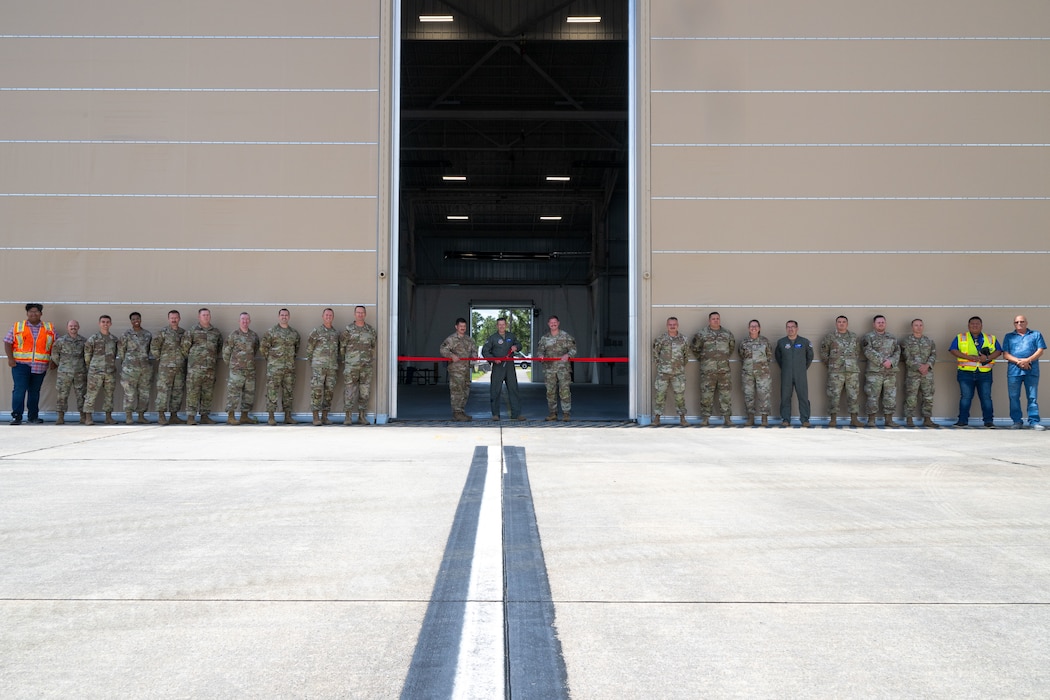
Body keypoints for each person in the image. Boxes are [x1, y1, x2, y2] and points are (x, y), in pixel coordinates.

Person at [5, 303, 56, 425]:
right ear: (27, 313)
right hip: (20, 365)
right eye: (31, 312)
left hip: (40, 366)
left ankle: (33, 417)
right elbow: (7, 342)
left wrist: (54, 360)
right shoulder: (18, 326)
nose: (33, 314)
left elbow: (56, 345)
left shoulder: (49, 328)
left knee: (34, 392)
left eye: (36, 311)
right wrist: (10, 359)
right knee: (19, 390)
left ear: (41, 314)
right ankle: (16, 417)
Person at [949, 316, 1002, 428]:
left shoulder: (990, 338)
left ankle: (988, 422)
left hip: (985, 373)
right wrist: (969, 357)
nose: (975, 325)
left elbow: (998, 351)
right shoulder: (961, 337)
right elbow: (953, 350)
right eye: (972, 324)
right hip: (965, 372)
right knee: (965, 397)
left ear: (981, 326)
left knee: (986, 398)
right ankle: (962, 421)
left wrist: (987, 358)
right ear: (968, 326)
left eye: (977, 323)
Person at [691, 311, 736, 426]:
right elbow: (695, 348)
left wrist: (722, 359)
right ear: (709, 320)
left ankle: (727, 418)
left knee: (725, 395)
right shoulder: (702, 334)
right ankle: (705, 418)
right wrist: (705, 360)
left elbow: (731, 348)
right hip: (707, 371)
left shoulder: (727, 334)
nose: (716, 320)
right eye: (713, 319)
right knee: (706, 395)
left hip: (723, 371)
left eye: (717, 318)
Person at [1001, 315, 1046, 430]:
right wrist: (1019, 362)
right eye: (1016, 322)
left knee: (1032, 397)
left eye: (1022, 321)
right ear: (1014, 324)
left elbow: (1040, 350)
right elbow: (1005, 354)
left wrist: (1027, 360)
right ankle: (1017, 421)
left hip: (1031, 371)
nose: (1019, 324)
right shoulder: (1009, 336)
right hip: (1014, 372)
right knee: (1014, 397)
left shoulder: (1036, 334)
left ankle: (1034, 422)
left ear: (1026, 322)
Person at [260, 308, 300, 425]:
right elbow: (263, 348)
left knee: (288, 392)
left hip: (289, 368)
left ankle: (288, 416)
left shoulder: (294, 333)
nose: (284, 317)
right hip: (274, 368)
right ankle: (271, 417)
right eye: (282, 315)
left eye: (286, 315)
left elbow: (296, 348)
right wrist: (272, 361)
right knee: (272, 392)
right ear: (279, 317)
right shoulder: (271, 332)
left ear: (289, 317)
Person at [821, 315, 863, 427]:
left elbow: (857, 351)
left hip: (852, 371)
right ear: (836, 324)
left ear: (847, 324)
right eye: (839, 322)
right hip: (836, 372)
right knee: (833, 395)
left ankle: (854, 419)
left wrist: (850, 363)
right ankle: (833, 419)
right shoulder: (830, 337)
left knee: (853, 395)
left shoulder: (854, 337)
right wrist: (832, 365)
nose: (841, 324)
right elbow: (824, 353)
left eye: (844, 322)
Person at [481, 316, 526, 421]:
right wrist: (493, 359)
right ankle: (495, 414)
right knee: (495, 390)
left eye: (503, 324)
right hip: (498, 366)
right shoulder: (492, 338)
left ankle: (516, 414)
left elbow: (519, 345)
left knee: (513, 389)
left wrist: (516, 347)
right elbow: (485, 351)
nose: (501, 326)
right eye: (499, 325)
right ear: (497, 326)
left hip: (509, 366)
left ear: (506, 325)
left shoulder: (511, 336)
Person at [184, 308, 223, 425]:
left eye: (207, 315)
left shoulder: (216, 332)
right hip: (195, 369)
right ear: (199, 317)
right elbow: (185, 348)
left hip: (210, 369)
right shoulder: (192, 330)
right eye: (203, 315)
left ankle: (204, 416)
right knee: (193, 392)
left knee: (207, 393)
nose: (206, 317)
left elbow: (218, 347)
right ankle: (191, 417)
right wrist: (194, 360)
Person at [340, 305, 378, 426]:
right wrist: (347, 361)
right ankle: (348, 416)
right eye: (358, 312)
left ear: (365, 314)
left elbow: (372, 346)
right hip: (351, 366)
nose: (360, 314)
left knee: (365, 392)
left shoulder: (370, 331)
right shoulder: (348, 330)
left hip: (366, 366)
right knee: (349, 391)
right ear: (354, 314)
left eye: (362, 313)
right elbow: (342, 347)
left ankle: (362, 416)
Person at [861, 315, 902, 428]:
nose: (881, 324)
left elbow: (897, 352)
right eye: (878, 322)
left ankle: (889, 420)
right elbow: (867, 351)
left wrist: (891, 361)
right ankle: (871, 420)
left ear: (885, 323)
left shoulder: (892, 337)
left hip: (890, 372)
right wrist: (883, 361)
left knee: (890, 396)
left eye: (883, 322)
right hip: (874, 373)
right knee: (872, 396)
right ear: (874, 324)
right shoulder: (868, 337)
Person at [651, 316, 690, 426]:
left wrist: (679, 366)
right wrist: (662, 366)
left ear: (678, 325)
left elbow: (686, 355)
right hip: (663, 373)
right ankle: (657, 418)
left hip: (678, 373)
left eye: (674, 324)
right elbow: (656, 354)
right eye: (670, 324)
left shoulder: (684, 339)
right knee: (660, 395)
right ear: (667, 326)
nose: (672, 326)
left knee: (680, 396)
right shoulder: (660, 339)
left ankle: (682, 419)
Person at [223, 312, 260, 425]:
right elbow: (226, 352)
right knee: (233, 393)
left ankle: (244, 416)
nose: (245, 321)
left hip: (250, 370)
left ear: (250, 321)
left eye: (247, 319)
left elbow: (255, 349)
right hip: (236, 370)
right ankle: (231, 416)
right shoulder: (233, 335)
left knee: (249, 394)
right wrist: (232, 365)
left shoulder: (254, 336)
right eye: (243, 319)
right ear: (239, 321)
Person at [151, 309, 187, 425]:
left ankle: (174, 415)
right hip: (165, 368)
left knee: (177, 392)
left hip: (179, 367)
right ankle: (161, 415)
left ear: (179, 318)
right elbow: (154, 347)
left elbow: (187, 348)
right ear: (168, 319)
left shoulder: (184, 333)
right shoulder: (163, 332)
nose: (174, 320)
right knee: (163, 391)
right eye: (172, 318)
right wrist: (161, 359)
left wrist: (183, 358)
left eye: (176, 318)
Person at [774, 320, 813, 428]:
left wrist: (802, 368)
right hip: (786, 373)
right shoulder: (781, 342)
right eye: (788, 327)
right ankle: (786, 419)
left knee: (803, 396)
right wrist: (785, 368)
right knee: (785, 396)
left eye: (793, 327)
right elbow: (778, 357)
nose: (790, 329)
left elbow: (810, 357)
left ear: (797, 328)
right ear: (786, 328)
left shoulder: (804, 342)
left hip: (800, 373)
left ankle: (805, 419)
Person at [537, 315, 577, 421]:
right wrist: (540, 356)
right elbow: (540, 351)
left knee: (564, 391)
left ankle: (566, 413)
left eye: (555, 322)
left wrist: (568, 355)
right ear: (548, 324)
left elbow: (573, 350)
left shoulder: (566, 336)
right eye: (551, 322)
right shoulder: (544, 338)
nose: (553, 324)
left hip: (563, 369)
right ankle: (552, 413)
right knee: (550, 392)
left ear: (558, 323)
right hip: (549, 369)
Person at [900, 319, 938, 428]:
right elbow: (907, 357)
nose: (918, 327)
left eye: (921, 325)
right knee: (911, 397)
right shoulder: (906, 341)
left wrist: (927, 365)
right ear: (912, 327)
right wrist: (919, 367)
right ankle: (909, 419)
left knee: (928, 397)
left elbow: (933, 355)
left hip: (927, 374)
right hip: (913, 374)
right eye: (916, 325)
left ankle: (927, 419)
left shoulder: (929, 341)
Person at [50, 319, 87, 425]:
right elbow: (54, 354)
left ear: (78, 327)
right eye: (71, 326)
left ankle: (83, 417)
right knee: (62, 395)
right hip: (64, 373)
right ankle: (60, 417)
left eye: (75, 326)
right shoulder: (60, 341)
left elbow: (87, 355)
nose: (73, 327)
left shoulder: (84, 341)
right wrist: (63, 365)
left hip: (80, 372)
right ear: (67, 328)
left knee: (81, 395)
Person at [83, 315, 119, 425]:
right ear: (99, 324)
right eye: (103, 322)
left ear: (110, 324)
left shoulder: (114, 339)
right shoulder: (93, 338)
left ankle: (108, 417)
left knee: (109, 395)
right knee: (91, 394)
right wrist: (92, 367)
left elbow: (116, 354)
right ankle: (88, 417)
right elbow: (87, 355)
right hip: (95, 371)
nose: (105, 324)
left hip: (110, 371)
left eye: (107, 322)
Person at [307, 308, 340, 425]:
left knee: (329, 392)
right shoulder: (316, 332)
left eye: (330, 315)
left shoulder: (336, 333)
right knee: (317, 391)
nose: (328, 317)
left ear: (333, 317)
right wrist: (315, 362)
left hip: (332, 367)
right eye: (326, 315)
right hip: (319, 367)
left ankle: (325, 416)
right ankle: (316, 417)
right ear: (322, 316)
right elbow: (309, 349)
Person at [118, 311, 153, 425]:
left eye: (137, 318)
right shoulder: (126, 335)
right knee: (129, 393)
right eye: (133, 319)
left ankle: (141, 416)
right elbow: (121, 351)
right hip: (130, 369)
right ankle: (129, 416)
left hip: (144, 369)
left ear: (141, 319)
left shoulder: (147, 334)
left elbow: (149, 350)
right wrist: (126, 364)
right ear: (131, 321)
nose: (136, 321)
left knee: (144, 393)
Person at [440, 317, 476, 421]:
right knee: (457, 391)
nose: (463, 328)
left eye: (464, 326)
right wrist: (451, 355)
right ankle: (456, 412)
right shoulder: (451, 339)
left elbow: (474, 350)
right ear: (456, 327)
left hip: (466, 369)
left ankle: (461, 411)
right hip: (456, 370)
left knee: (465, 390)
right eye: (461, 326)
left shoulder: (469, 340)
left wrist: (474, 356)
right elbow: (443, 349)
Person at [738, 320, 773, 427]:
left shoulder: (765, 341)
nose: (754, 328)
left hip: (763, 373)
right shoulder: (744, 342)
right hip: (747, 373)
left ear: (759, 328)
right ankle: (750, 418)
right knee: (748, 395)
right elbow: (741, 355)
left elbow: (769, 355)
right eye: (752, 326)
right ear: (748, 328)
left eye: (756, 326)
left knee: (764, 395)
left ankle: (764, 419)